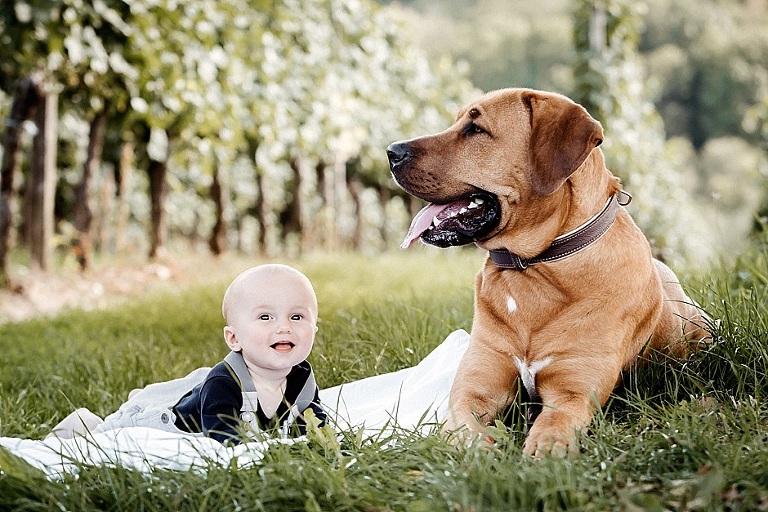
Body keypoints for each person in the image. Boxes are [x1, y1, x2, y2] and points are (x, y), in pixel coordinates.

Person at [49, 264, 327, 445]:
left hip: (195, 402)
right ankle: (83, 422)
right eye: (265, 317)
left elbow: (316, 428)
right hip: (162, 428)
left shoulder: (302, 381)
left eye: (297, 316)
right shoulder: (226, 382)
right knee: (98, 445)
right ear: (234, 338)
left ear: (313, 328)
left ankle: (150, 396)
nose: (283, 327)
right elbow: (226, 444)